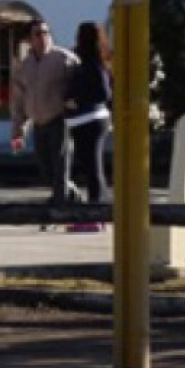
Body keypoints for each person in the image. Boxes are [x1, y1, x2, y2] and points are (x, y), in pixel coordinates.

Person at [8, 18, 80, 206]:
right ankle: (71, 193)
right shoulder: (24, 66)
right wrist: (18, 131)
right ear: (29, 39)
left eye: (46, 32)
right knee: (46, 170)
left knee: (60, 166)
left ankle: (61, 206)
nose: (43, 37)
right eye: (37, 34)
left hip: (59, 120)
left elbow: (80, 84)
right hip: (38, 123)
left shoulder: (64, 59)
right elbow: (18, 101)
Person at [63, 22, 113, 228]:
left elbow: (104, 92)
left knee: (94, 169)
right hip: (81, 121)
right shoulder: (83, 59)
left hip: (91, 120)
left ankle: (97, 214)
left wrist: (78, 100)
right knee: (90, 168)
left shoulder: (92, 62)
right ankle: (96, 213)